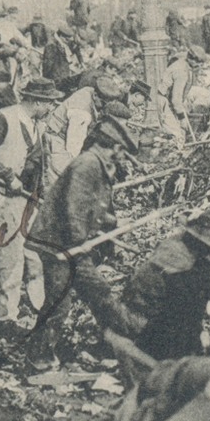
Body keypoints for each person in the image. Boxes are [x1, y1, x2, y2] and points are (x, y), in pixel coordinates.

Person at [29, 113, 140, 368]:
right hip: (59, 244)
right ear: (114, 146)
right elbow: (73, 209)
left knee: (98, 292)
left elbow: (94, 205)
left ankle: (110, 346)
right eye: (123, 151)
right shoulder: (87, 164)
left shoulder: (99, 165)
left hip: (72, 244)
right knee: (60, 302)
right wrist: (81, 245)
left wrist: (108, 224)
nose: (124, 157)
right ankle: (38, 357)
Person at [0, 79, 64, 339]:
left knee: (34, 253)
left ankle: (36, 305)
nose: (53, 106)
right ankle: (5, 318)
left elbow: (39, 165)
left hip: (26, 200)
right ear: (37, 101)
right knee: (11, 258)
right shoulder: (2, 119)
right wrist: (7, 176)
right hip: (3, 197)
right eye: (50, 102)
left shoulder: (36, 125)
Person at [117, 207, 210, 361]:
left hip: (141, 318)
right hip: (142, 330)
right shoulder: (185, 271)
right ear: (204, 245)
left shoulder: (184, 244)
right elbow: (183, 323)